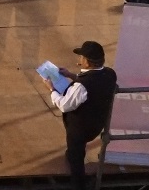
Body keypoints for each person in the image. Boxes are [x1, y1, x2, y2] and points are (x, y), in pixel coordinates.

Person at [42, 40, 118, 190]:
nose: (79, 59)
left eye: (81, 57)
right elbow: (95, 82)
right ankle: (72, 156)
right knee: (75, 150)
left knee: (76, 159)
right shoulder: (110, 74)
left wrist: (51, 89)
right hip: (97, 123)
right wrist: (71, 75)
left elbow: (64, 105)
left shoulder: (81, 86)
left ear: (87, 62)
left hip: (79, 128)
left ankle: (79, 184)